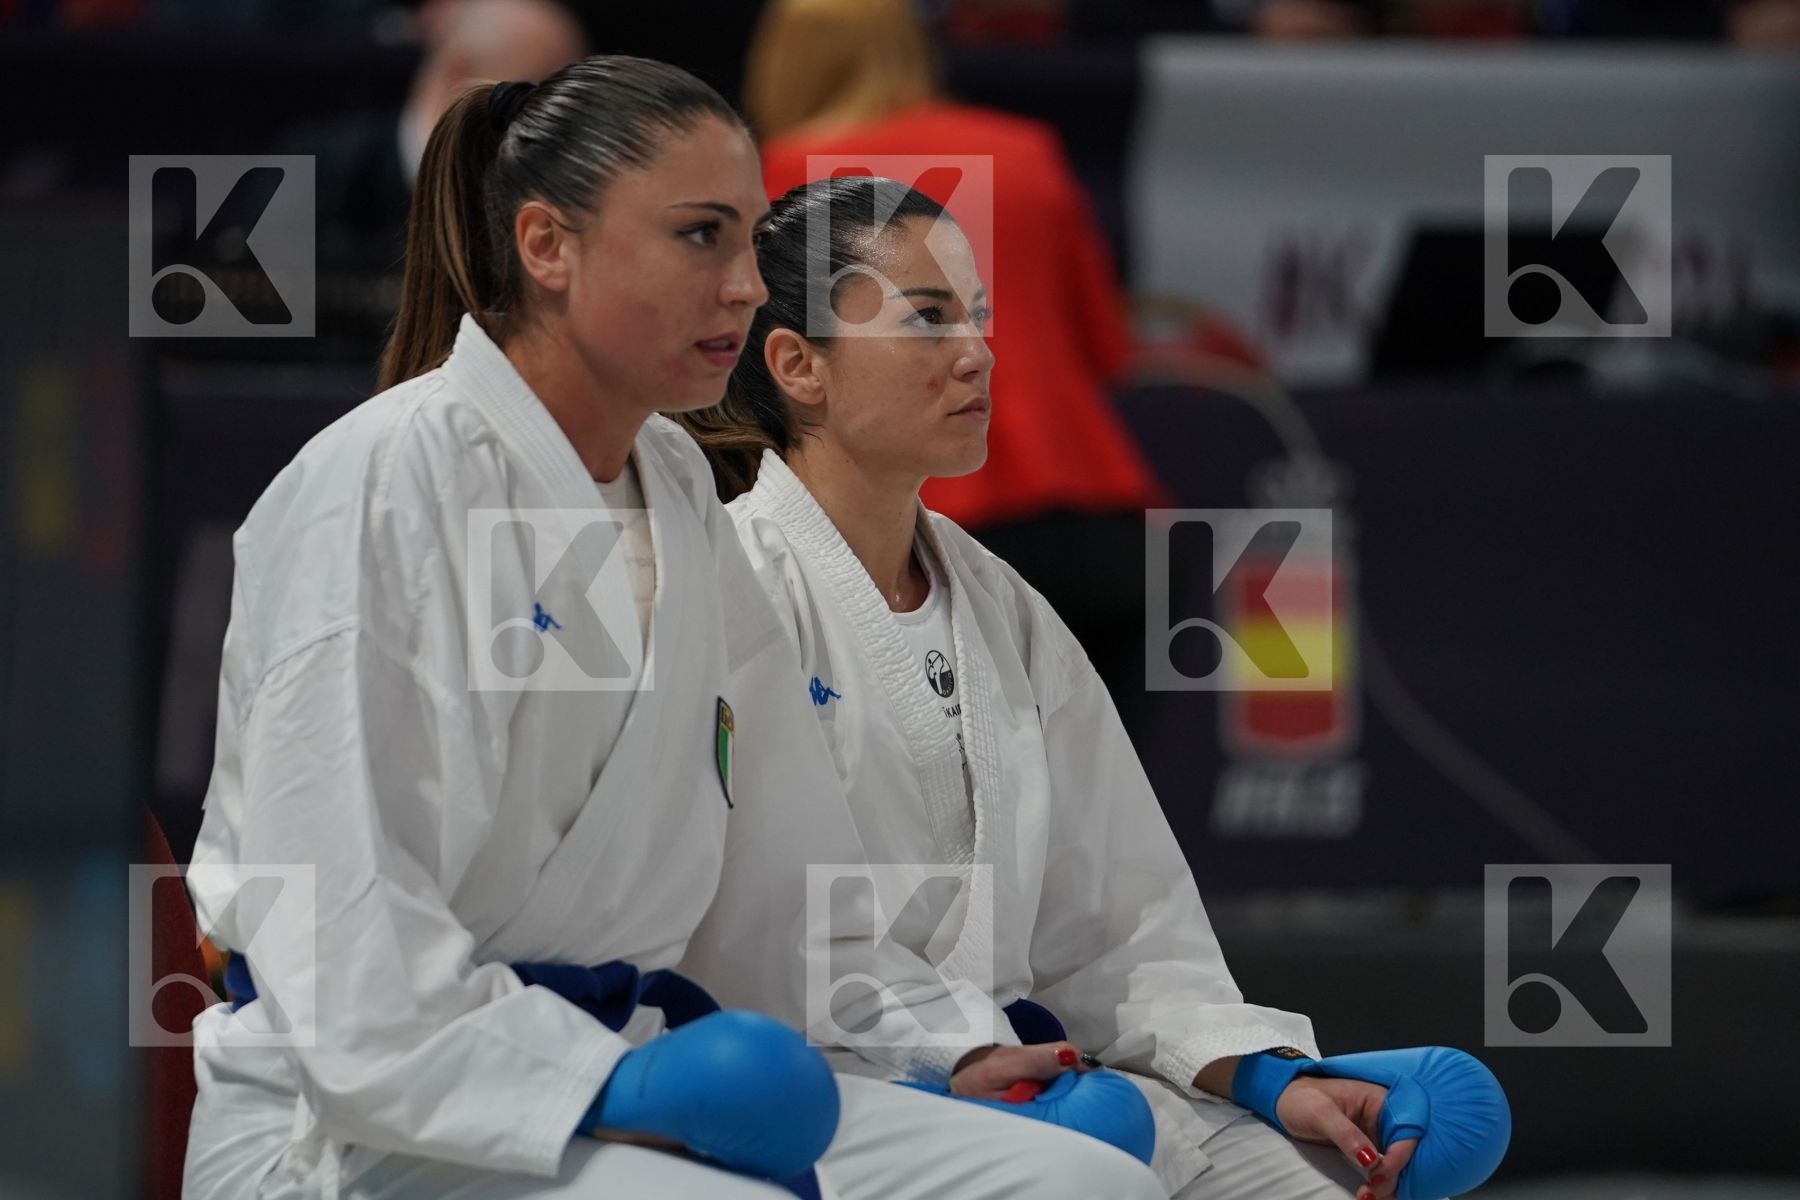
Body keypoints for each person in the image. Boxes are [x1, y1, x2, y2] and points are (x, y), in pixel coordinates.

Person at [183, 55, 1162, 1200]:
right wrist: (600, 1090)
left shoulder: (679, 489)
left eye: (751, 241)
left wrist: (943, 1047)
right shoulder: (382, 485)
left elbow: (780, 875)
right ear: (548, 247)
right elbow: (338, 925)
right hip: (375, 1120)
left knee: (1091, 1185)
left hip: (625, 1072)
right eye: (703, 236)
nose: (748, 287)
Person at [675, 177, 1495, 1200]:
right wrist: (956, 1054)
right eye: (928, 320)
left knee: (1328, 1180)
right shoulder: (733, 593)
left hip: (1013, 1077)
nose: (976, 353)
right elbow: (755, 928)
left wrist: (1257, 1069)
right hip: (820, 1086)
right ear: (798, 365)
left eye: (977, 316)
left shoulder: (1003, 608)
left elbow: (1118, 917)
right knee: (1088, 1177)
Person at [744, 0, 1170, 740]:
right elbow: (1107, 348)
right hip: (1099, 532)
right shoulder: (1027, 151)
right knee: (1088, 828)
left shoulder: (787, 178)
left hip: (914, 541)